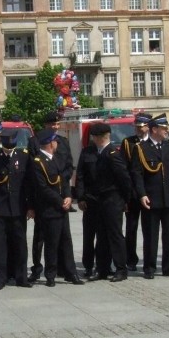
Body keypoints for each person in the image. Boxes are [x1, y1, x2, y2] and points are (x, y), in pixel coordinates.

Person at [129, 114, 169, 279]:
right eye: (163, 128)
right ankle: (149, 267)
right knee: (151, 235)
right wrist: (141, 195)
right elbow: (137, 174)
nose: (166, 130)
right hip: (151, 198)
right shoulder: (140, 148)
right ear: (154, 129)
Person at [75, 121, 132, 281]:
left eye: (94, 136)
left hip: (112, 200)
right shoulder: (88, 152)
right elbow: (80, 176)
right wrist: (81, 197)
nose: (92, 139)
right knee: (100, 236)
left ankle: (121, 268)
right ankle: (102, 268)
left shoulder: (113, 153)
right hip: (94, 201)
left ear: (100, 138)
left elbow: (125, 179)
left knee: (115, 235)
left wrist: (125, 200)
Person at [0, 131, 33, 289]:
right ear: (2, 143)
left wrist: (30, 206)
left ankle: (21, 277)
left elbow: (29, 184)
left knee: (20, 243)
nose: (10, 151)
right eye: (7, 148)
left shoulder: (23, 156)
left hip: (18, 207)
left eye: (12, 148)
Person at [30, 128, 81, 286]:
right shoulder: (38, 162)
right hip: (49, 208)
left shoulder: (56, 159)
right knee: (51, 242)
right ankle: (50, 274)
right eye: (55, 141)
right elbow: (42, 187)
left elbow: (63, 180)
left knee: (66, 241)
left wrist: (68, 196)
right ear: (50, 144)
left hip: (61, 207)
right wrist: (60, 201)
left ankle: (71, 273)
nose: (57, 143)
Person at [121, 113, 151, 272]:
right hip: (132, 193)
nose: (139, 129)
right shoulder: (128, 142)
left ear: (148, 126)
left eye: (142, 127)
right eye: (137, 127)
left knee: (149, 229)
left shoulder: (154, 143)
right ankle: (130, 258)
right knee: (131, 228)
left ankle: (149, 259)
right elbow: (124, 169)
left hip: (149, 192)